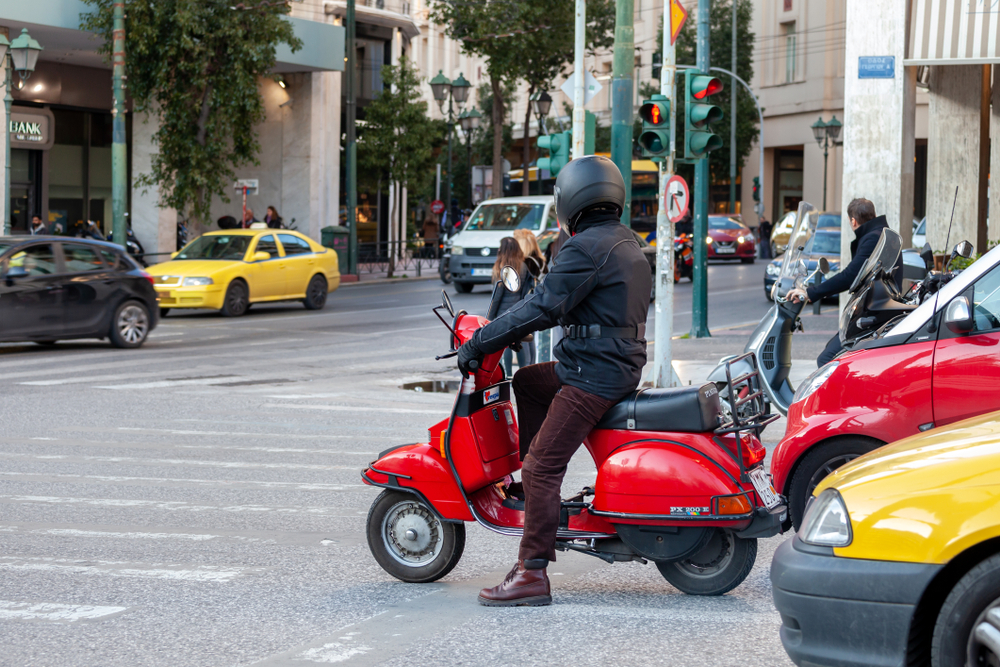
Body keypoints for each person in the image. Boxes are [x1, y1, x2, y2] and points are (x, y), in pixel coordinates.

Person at [456, 155, 651, 607]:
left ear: (571, 199)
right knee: (527, 381)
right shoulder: (626, 240)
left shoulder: (585, 247)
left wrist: (481, 341)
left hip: (592, 375)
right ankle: (530, 494)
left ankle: (531, 573)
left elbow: (542, 304)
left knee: (543, 465)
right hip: (605, 363)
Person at [787, 198, 901, 367]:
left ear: (853, 221)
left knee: (827, 360)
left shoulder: (873, 239)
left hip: (872, 315)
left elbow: (850, 276)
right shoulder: (883, 234)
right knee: (833, 353)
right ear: (873, 214)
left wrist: (810, 292)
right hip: (878, 311)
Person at [488, 237, 535, 376]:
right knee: (519, 343)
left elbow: (497, 296)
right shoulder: (523, 266)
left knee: (506, 345)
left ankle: (508, 374)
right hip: (519, 310)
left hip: (503, 312)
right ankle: (523, 373)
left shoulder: (501, 267)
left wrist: (490, 317)